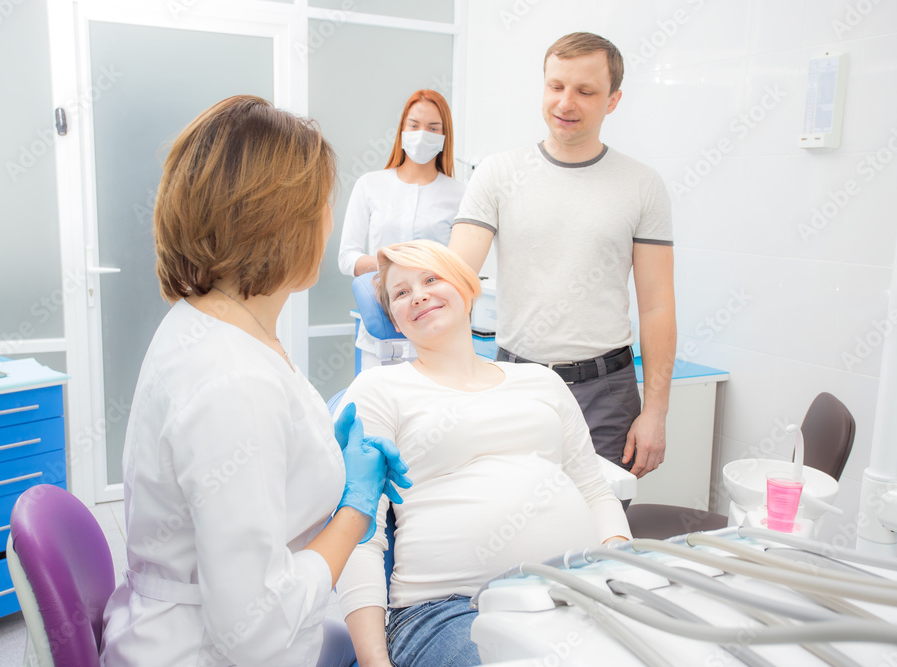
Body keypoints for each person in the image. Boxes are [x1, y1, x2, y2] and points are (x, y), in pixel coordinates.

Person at [99, 95, 411, 667]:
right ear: (278, 223)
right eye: (321, 205)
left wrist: (324, 454)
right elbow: (254, 631)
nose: (329, 221)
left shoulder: (216, 321)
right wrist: (354, 513)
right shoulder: (232, 380)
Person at [335, 240, 631, 667]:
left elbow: (595, 492)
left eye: (431, 279)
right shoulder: (380, 390)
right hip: (451, 610)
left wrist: (620, 572)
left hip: (580, 590)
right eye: (400, 293)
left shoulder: (540, 382)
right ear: (396, 320)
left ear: (468, 288)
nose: (417, 294)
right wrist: (374, 661)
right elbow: (360, 533)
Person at [448, 32, 677, 479]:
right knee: (512, 526)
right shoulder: (499, 173)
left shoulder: (642, 185)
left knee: (599, 533)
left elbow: (657, 306)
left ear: (613, 100)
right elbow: (456, 275)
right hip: (515, 383)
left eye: (585, 91)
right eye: (556, 86)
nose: (565, 103)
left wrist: (656, 413)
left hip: (606, 392)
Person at [337, 89, 466, 370]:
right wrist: (388, 264)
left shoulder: (459, 194)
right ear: (402, 130)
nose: (422, 134)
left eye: (433, 128)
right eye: (414, 125)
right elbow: (347, 257)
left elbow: (459, 265)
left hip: (437, 331)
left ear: (445, 136)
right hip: (380, 332)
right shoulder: (371, 184)